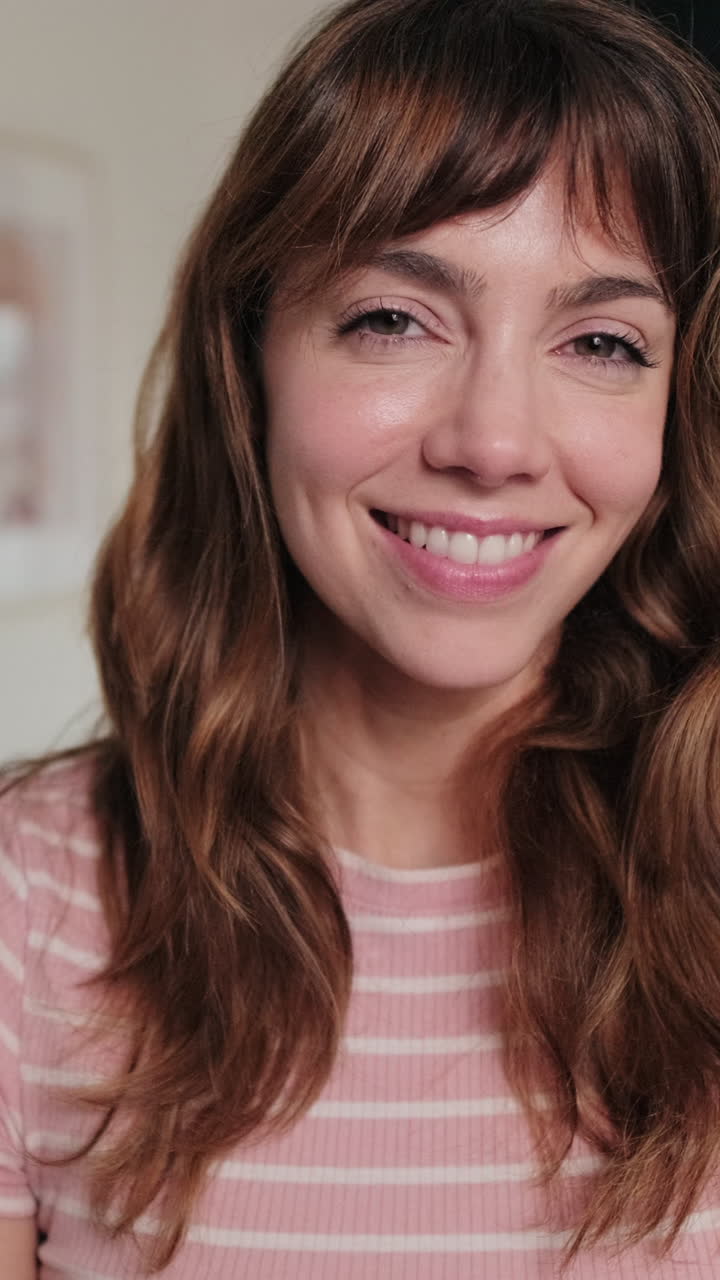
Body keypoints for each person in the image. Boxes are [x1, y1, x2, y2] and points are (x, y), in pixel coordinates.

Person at [2, 0, 720, 1274]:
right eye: (395, 316)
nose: (494, 441)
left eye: (602, 341)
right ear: (253, 359)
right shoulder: (27, 905)